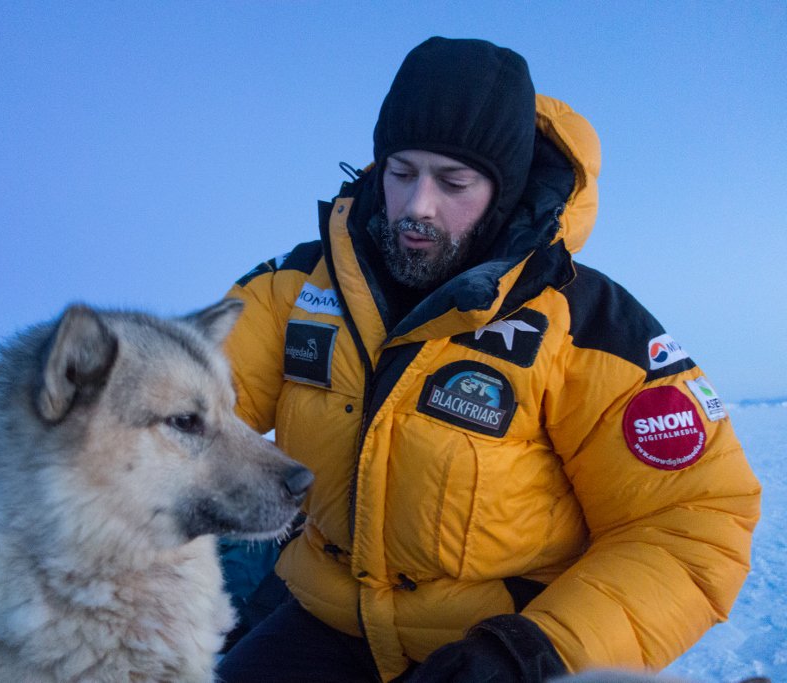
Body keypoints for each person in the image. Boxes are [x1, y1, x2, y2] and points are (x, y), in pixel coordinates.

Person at [215, 37, 761, 682]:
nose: (417, 206)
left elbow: (693, 524)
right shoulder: (296, 287)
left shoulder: (587, 325)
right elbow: (170, 404)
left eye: (453, 183)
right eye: (400, 173)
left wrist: (532, 653)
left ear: (504, 191)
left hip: (504, 641)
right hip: (329, 617)